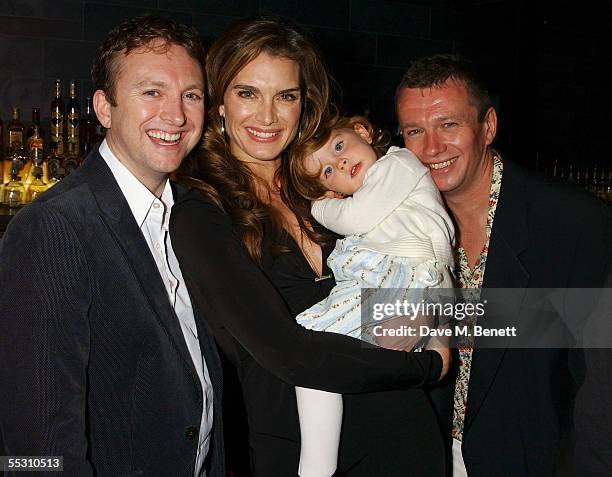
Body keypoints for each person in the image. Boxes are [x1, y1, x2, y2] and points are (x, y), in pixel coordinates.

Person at [171, 16, 448, 477]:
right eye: (247, 93)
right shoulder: (201, 216)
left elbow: (422, 256)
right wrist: (428, 367)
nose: (267, 116)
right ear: (218, 102)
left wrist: (438, 327)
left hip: (407, 441)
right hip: (302, 454)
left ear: (304, 104)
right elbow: (292, 354)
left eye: (286, 96)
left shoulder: (329, 185)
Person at [0, 16, 225, 476]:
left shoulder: (190, 216)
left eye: (191, 95)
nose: (177, 115)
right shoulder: (53, 227)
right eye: (151, 92)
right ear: (104, 108)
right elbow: (34, 442)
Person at [395, 53, 611, 476]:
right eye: (414, 131)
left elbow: (596, 383)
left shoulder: (576, 224)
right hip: (423, 456)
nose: (432, 148)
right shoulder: (394, 224)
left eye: (449, 125)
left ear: (488, 126)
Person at [288, 114, 455, 477]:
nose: (342, 163)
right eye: (329, 172)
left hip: (408, 279)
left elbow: (355, 218)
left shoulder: (399, 163)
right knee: (311, 353)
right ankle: (318, 463)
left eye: (338, 147)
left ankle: (316, 466)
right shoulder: (374, 190)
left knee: (309, 349)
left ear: (361, 130)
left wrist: (319, 204)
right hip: (399, 282)